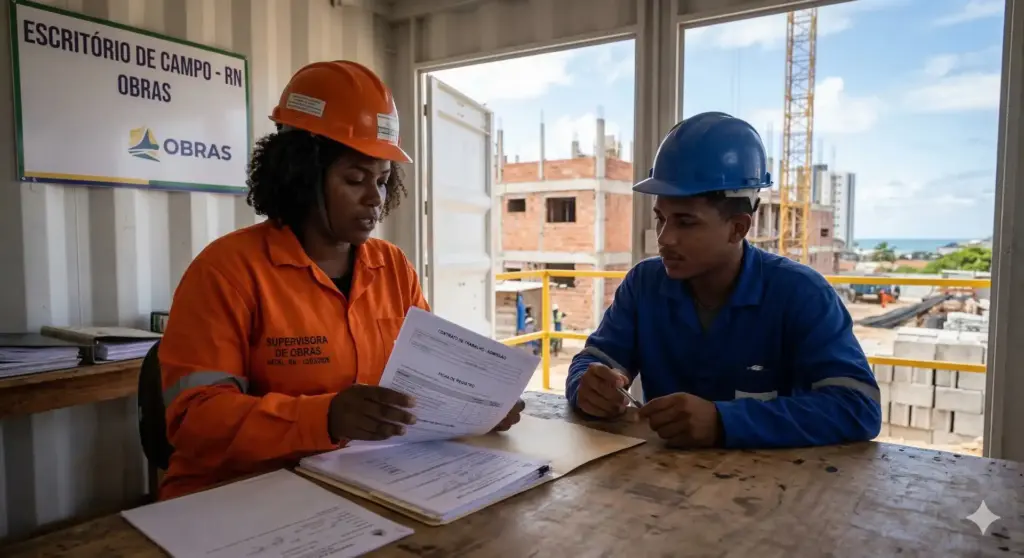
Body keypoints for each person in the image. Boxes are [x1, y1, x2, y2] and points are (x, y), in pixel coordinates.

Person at [158, 61, 524, 500]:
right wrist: (324, 417)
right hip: (233, 496)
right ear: (301, 175)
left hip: (355, 483)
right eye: (355, 178)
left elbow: (424, 381)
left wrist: (476, 409)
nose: (375, 198)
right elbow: (194, 421)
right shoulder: (227, 271)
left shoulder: (393, 268)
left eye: (384, 181)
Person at [565, 112, 881, 450]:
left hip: (775, 490)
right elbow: (595, 358)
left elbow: (857, 406)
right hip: (658, 485)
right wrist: (588, 385)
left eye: (685, 222)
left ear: (738, 228)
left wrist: (724, 422)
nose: (664, 238)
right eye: (661, 218)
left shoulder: (800, 294)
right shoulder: (644, 285)